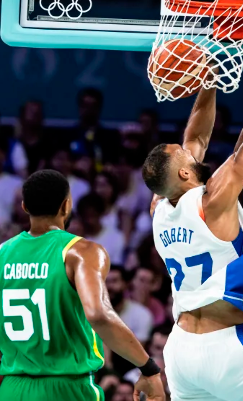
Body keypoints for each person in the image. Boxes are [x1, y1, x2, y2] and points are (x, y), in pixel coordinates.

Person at [142, 0, 243, 401]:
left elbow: (195, 136)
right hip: (227, 347)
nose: (185, 148)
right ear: (184, 172)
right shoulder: (213, 197)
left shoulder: (160, 207)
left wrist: (209, 76)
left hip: (179, 350)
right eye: (178, 152)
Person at [0, 169, 165, 401]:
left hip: (11, 388)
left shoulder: (2, 254)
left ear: (25, 206)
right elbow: (98, 315)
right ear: (67, 206)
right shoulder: (81, 251)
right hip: (67, 387)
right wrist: (148, 368)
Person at [106, 265, 154, 344]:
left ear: (125, 284)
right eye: (105, 281)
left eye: (114, 281)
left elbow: (138, 352)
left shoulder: (141, 314)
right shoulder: (88, 311)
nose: (109, 286)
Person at [77, 193, 126, 265]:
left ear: (101, 213)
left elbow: (117, 266)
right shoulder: (77, 238)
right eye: (87, 216)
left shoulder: (116, 237)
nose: (90, 221)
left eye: (93, 215)